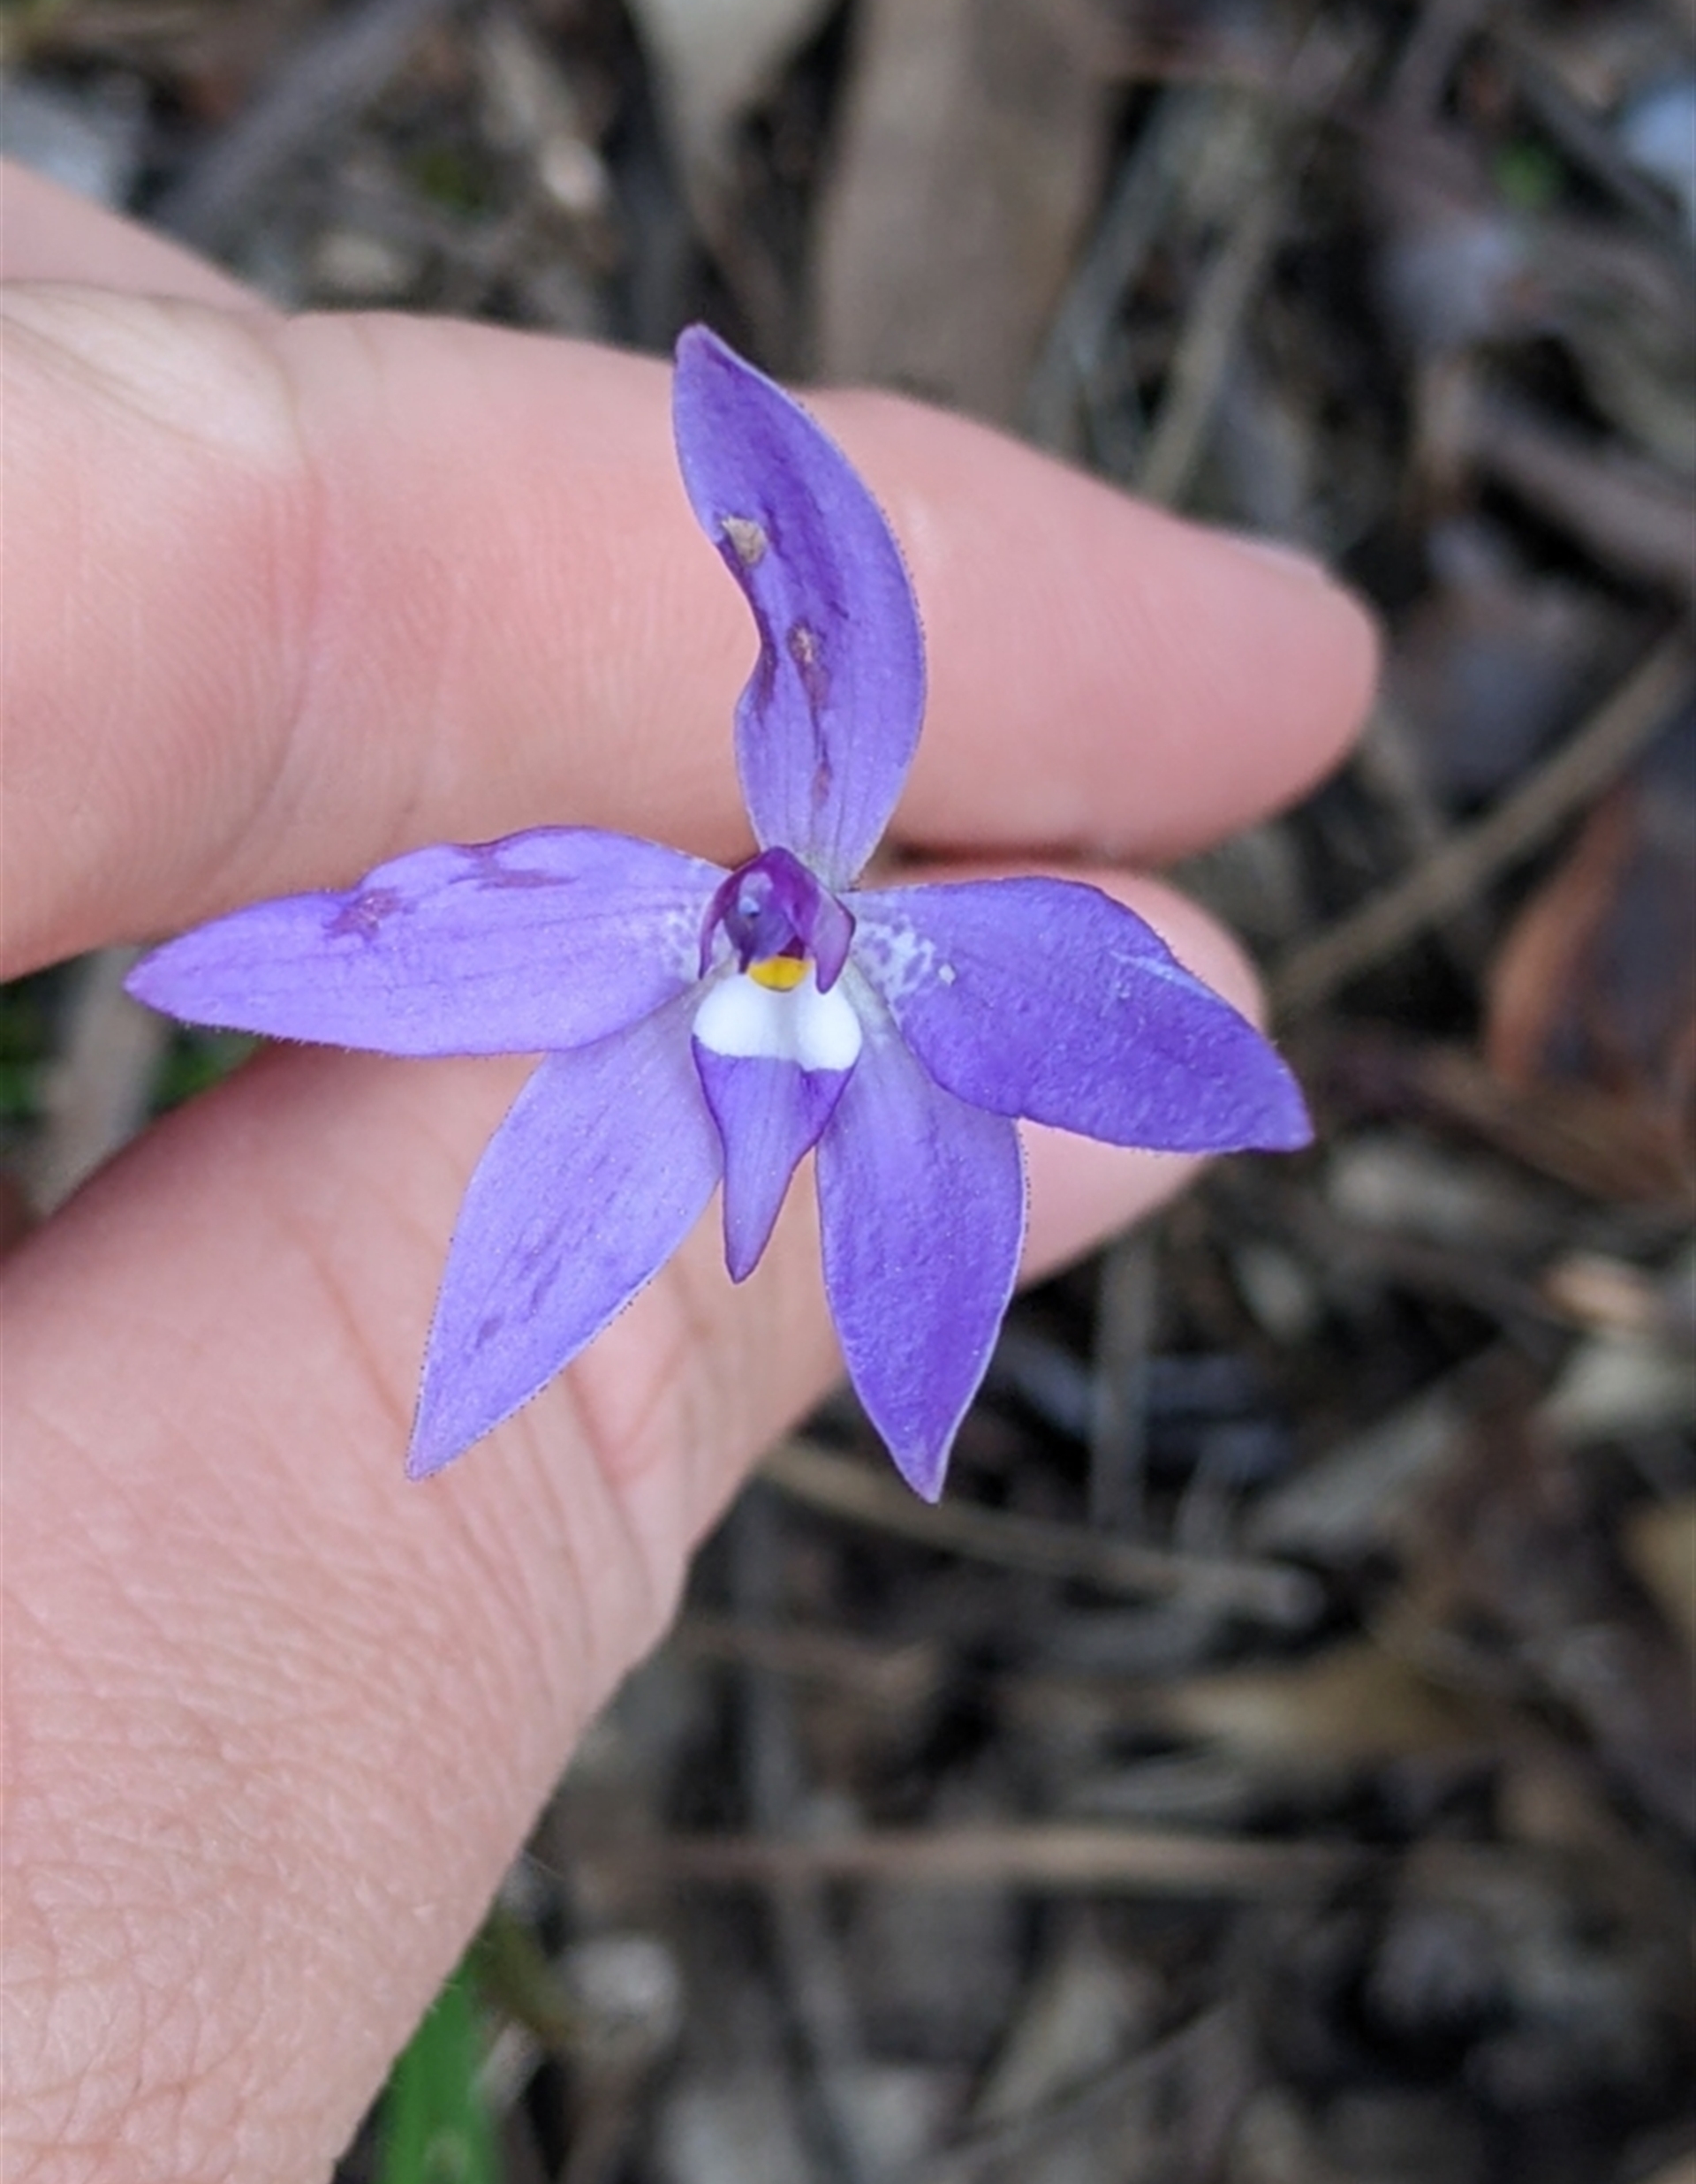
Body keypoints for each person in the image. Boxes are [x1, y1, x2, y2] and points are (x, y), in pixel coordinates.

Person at [0, 157, 1377, 2182]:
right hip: (645, 978)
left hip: (849, 1002)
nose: (780, 941)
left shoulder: (922, 974)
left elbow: (1156, 1075)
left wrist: (849, 1013)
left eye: (789, 945)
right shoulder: (664, 932)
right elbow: (376, 947)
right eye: (771, 942)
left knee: (889, 1256)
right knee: (528, 1310)